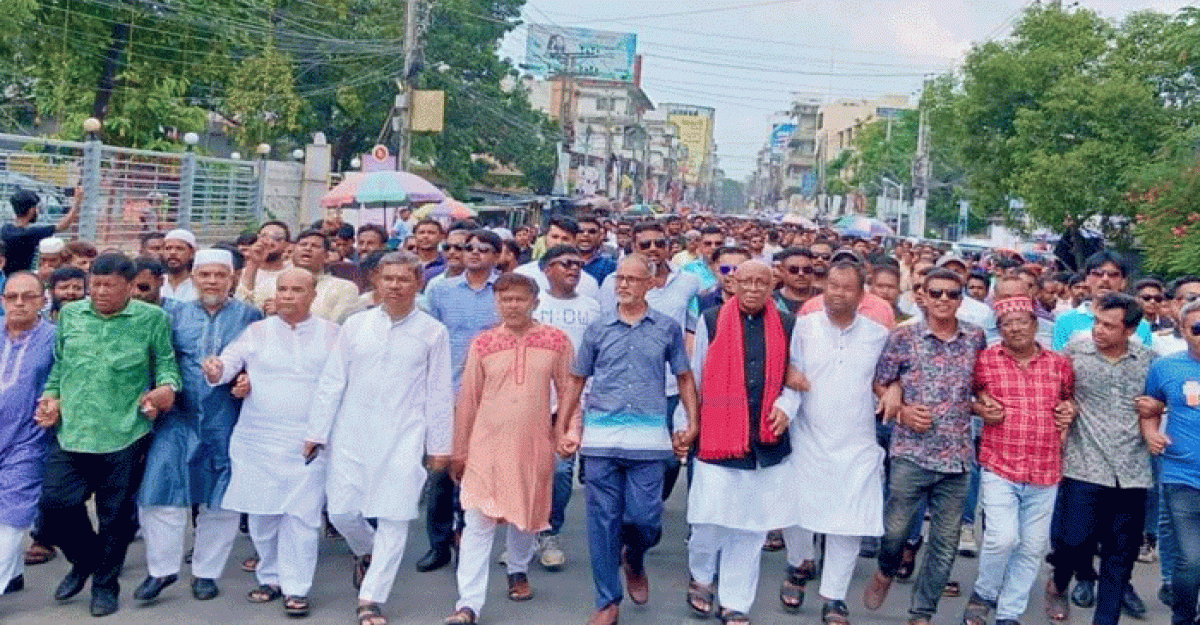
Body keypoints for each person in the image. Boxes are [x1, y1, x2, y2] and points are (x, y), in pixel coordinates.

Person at [304, 252, 453, 625]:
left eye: (404, 279)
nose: (395, 286)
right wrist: (317, 432)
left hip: (404, 434)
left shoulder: (433, 331)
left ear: (418, 283)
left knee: (394, 515)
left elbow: (438, 393)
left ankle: (371, 598)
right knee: (341, 511)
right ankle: (368, 552)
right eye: (388, 278)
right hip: (351, 432)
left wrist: (439, 447)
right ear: (376, 281)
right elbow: (332, 381)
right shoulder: (356, 326)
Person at [36, 253, 181, 617]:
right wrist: (51, 397)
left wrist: (163, 393)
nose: (99, 293)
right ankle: (86, 561)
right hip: (72, 432)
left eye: (109, 286)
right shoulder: (71, 314)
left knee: (114, 517)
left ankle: (105, 586)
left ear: (131, 287)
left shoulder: (152, 320)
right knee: (55, 504)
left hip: (125, 433)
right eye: (95, 285)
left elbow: (166, 369)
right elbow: (59, 367)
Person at [558, 254, 700, 625]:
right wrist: (567, 427)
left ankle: (634, 556)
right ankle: (607, 600)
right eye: (620, 279)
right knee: (602, 521)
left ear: (650, 285)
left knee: (645, 519)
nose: (624, 285)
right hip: (602, 438)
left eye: (633, 279)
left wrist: (691, 421)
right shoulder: (598, 327)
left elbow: (684, 377)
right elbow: (576, 379)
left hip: (650, 440)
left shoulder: (666, 329)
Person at [204, 268, 340, 618]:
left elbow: (339, 386)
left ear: (312, 295)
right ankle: (271, 577)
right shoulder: (257, 332)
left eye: (297, 289)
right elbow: (226, 367)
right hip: (257, 437)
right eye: (283, 289)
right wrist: (216, 369)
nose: (288, 296)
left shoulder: (333, 334)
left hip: (308, 439)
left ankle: (297, 588)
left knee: (303, 517)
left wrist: (320, 433)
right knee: (263, 514)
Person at [443, 273, 575, 625]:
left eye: (519, 299)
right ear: (496, 303)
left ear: (534, 301)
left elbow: (568, 393)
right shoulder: (483, 344)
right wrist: (460, 449)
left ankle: (517, 569)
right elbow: (468, 399)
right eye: (505, 300)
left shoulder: (556, 341)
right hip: (485, 445)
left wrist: (568, 433)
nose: (512, 305)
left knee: (525, 515)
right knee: (478, 523)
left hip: (533, 443)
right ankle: (468, 603)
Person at [134, 249, 263, 603]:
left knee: (220, 500)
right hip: (179, 416)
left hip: (227, 418)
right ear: (193, 278)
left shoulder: (251, 317)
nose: (211, 282)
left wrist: (249, 379)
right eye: (204, 275)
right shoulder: (171, 315)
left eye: (219, 275)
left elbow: (264, 361)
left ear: (232, 278)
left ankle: (206, 573)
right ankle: (161, 570)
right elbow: (160, 359)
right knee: (161, 490)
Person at [864, 268, 986, 625]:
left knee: (945, 543)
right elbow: (880, 383)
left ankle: (922, 611)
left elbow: (980, 385)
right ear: (924, 297)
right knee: (895, 532)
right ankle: (886, 570)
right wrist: (900, 411)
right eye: (936, 293)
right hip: (911, 453)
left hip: (957, 457)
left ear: (961, 299)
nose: (943, 300)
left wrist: (985, 404)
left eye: (951, 294)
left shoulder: (975, 338)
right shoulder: (904, 338)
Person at [685, 261, 797, 625]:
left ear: (771, 286)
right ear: (733, 283)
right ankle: (701, 576)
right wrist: (687, 423)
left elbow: (794, 379)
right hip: (717, 436)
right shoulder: (712, 320)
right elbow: (697, 373)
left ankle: (736, 603)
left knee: (750, 527)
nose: (752, 288)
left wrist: (786, 407)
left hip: (763, 440)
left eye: (760, 282)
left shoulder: (786, 324)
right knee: (707, 521)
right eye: (745, 281)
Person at [780, 260, 890, 625]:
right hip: (808, 434)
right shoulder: (803, 328)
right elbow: (789, 375)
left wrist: (895, 394)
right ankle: (798, 565)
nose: (837, 293)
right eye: (832, 285)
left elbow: (889, 378)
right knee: (796, 510)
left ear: (862, 295)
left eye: (846, 288)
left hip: (856, 441)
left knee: (849, 521)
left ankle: (834, 597)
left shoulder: (877, 335)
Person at [963, 296, 1076, 625]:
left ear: (1035, 324)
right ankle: (984, 592)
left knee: (1031, 548)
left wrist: (1071, 410)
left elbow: (1070, 399)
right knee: (1002, 538)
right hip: (1001, 462)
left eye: (1021, 321)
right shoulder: (985, 360)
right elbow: (966, 396)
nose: (1015, 328)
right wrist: (980, 407)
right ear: (999, 330)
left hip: (1045, 467)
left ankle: (1009, 612)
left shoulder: (1059, 364)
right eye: (1006, 324)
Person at [1042, 293, 1153, 625]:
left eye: (1109, 325)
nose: (1099, 331)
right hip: (1084, 465)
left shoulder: (1149, 361)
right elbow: (1055, 389)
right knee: (1074, 542)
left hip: (1132, 471)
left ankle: (1106, 620)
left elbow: (1162, 400)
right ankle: (1060, 579)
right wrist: (1066, 407)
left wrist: (1156, 409)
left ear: (1130, 330)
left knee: (1120, 555)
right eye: (1097, 322)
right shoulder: (1075, 352)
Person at [598, 222, 702, 499]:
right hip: (624, 384)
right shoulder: (613, 283)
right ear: (633, 245)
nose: (653, 249)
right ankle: (628, 522)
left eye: (659, 243)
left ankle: (650, 507)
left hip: (669, 386)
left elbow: (694, 326)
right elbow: (603, 330)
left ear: (670, 247)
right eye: (646, 244)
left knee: (668, 460)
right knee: (625, 457)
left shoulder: (689, 283)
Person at [420, 229, 503, 573]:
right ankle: (438, 544)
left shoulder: (504, 292)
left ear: (497, 256)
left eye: (484, 249)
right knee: (440, 472)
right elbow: (427, 338)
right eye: (469, 248)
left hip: (491, 395)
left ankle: (469, 541)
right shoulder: (440, 289)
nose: (474, 254)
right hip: (447, 391)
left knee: (479, 471)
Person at [531, 245, 602, 571]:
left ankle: (550, 531)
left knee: (560, 472)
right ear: (546, 269)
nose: (573, 269)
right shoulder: (534, 305)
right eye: (565, 264)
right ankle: (526, 532)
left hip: (573, 402)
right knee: (529, 470)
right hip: (530, 400)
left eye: (577, 264)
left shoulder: (592, 308)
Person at [1139, 299, 1200, 625]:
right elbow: (1150, 409)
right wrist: (1151, 433)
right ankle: (1183, 617)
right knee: (1190, 560)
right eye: (1198, 329)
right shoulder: (1166, 368)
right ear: (1183, 332)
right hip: (1182, 476)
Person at [0, 273, 56, 595]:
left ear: (43, 301)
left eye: (29, 296)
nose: (20, 303)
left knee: (12, 511)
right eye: (12, 296)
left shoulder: (54, 338)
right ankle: (14, 573)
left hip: (28, 436)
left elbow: (65, 380)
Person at [1053, 251, 1152, 350]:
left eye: (1113, 275)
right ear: (1087, 280)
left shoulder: (1140, 325)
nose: (1105, 279)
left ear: (1123, 282)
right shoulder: (1066, 320)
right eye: (1097, 274)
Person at [798, 250, 896, 329]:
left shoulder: (882, 308)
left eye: (852, 264)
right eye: (839, 264)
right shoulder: (811, 307)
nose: (845, 268)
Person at [516, 217, 600, 298]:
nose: (559, 243)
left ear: (575, 242)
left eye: (565, 239)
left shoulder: (588, 283)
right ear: (545, 239)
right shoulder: (523, 274)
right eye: (555, 237)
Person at [1, 189, 80, 274]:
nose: (38, 211)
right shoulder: (31, 234)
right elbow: (62, 226)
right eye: (37, 208)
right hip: (20, 280)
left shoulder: (5, 229)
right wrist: (77, 203)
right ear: (32, 210)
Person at [289, 230, 360, 323]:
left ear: (327, 256)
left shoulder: (344, 288)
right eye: (303, 245)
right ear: (292, 252)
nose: (308, 248)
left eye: (315, 246)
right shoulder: (272, 283)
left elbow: (335, 325)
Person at [239, 221, 292, 309]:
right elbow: (241, 302)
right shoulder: (241, 272)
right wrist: (253, 264)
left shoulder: (293, 272)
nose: (269, 242)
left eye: (277, 238)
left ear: (287, 244)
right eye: (264, 236)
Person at [774, 247, 817, 315]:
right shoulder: (771, 301)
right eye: (794, 270)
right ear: (782, 271)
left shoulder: (824, 298)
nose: (801, 274)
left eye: (807, 270)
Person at [576, 214, 617, 284]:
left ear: (599, 236)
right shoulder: (562, 265)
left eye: (592, 232)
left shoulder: (610, 266)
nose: (586, 234)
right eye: (581, 231)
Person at [161, 229, 198, 302]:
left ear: (192, 253)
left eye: (179, 249)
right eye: (168, 248)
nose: (172, 253)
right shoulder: (158, 282)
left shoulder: (198, 285)